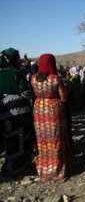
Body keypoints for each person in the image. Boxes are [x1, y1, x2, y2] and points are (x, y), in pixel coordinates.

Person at [31, 54, 72, 182]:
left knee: (42, 138)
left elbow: (32, 95)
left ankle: (43, 168)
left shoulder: (33, 78)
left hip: (39, 109)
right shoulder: (56, 79)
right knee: (56, 137)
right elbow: (64, 97)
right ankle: (57, 168)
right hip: (54, 109)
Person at [0, 48, 35, 176]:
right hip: (18, 111)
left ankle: (8, 165)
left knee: (8, 138)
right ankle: (18, 165)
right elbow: (25, 92)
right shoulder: (15, 73)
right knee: (20, 137)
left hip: (2, 110)